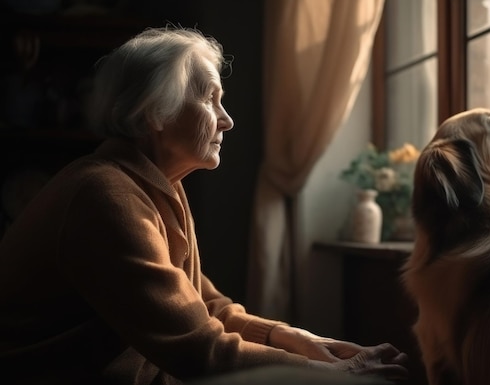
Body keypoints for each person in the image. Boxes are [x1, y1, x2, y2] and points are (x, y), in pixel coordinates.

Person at [0, 27, 409, 385]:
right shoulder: (104, 195)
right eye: (210, 99)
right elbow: (197, 348)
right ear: (154, 112)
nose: (227, 119)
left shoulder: (156, 185)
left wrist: (297, 339)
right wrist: (334, 373)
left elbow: (202, 306)